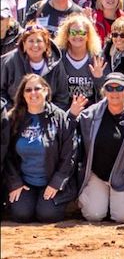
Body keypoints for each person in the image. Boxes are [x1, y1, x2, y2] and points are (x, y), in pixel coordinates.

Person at [74, 72, 124, 223]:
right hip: (97, 174)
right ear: (104, 91)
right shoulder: (91, 114)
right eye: (110, 88)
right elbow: (68, 131)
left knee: (123, 217)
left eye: (119, 88)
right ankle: (96, 197)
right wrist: (71, 114)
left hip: (123, 177)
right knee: (94, 215)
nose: (114, 92)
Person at [3, 75, 78, 223]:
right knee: (21, 214)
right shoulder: (14, 119)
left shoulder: (60, 117)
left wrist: (56, 183)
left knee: (47, 215)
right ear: (23, 95)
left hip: (52, 181)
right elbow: (6, 156)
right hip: (25, 183)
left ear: (46, 91)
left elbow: (70, 154)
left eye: (37, 88)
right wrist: (15, 183)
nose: (33, 93)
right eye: (28, 90)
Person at [1, 24, 70, 109]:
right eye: (31, 41)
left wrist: (50, 114)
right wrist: (12, 113)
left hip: (47, 115)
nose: (35, 45)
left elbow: (62, 97)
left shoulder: (56, 64)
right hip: (16, 116)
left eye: (39, 41)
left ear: (46, 45)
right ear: (24, 44)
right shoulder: (9, 62)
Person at [53, 14, 104, 104]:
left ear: (88, 36)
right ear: (67, 35)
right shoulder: (59, 57)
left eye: (81, 33)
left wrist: (99, 78)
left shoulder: (97, 57)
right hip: (65, 110)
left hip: (91, 112)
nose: (77, 36)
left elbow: (104, 94)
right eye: (73, 32)